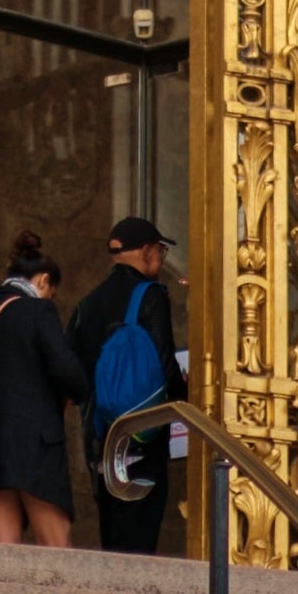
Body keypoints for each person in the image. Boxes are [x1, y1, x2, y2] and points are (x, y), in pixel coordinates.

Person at [0, 228, 89, 547]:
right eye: (52, 292)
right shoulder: (38, 310)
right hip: (33, 443)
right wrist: (78, 391)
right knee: (55, 546)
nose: (51, 299)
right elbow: (66, 369)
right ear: (42, 281)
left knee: (5, 551)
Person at [70, 214, 184, 556]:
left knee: (114, 536)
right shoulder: (151, 296)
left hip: (103, 439)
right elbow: (165, 365)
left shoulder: (86, 304)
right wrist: (186, 397)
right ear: (147, 251)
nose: (161, 261)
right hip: (143, 435)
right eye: (161, 253)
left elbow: (72, 370)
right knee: (142, 533)